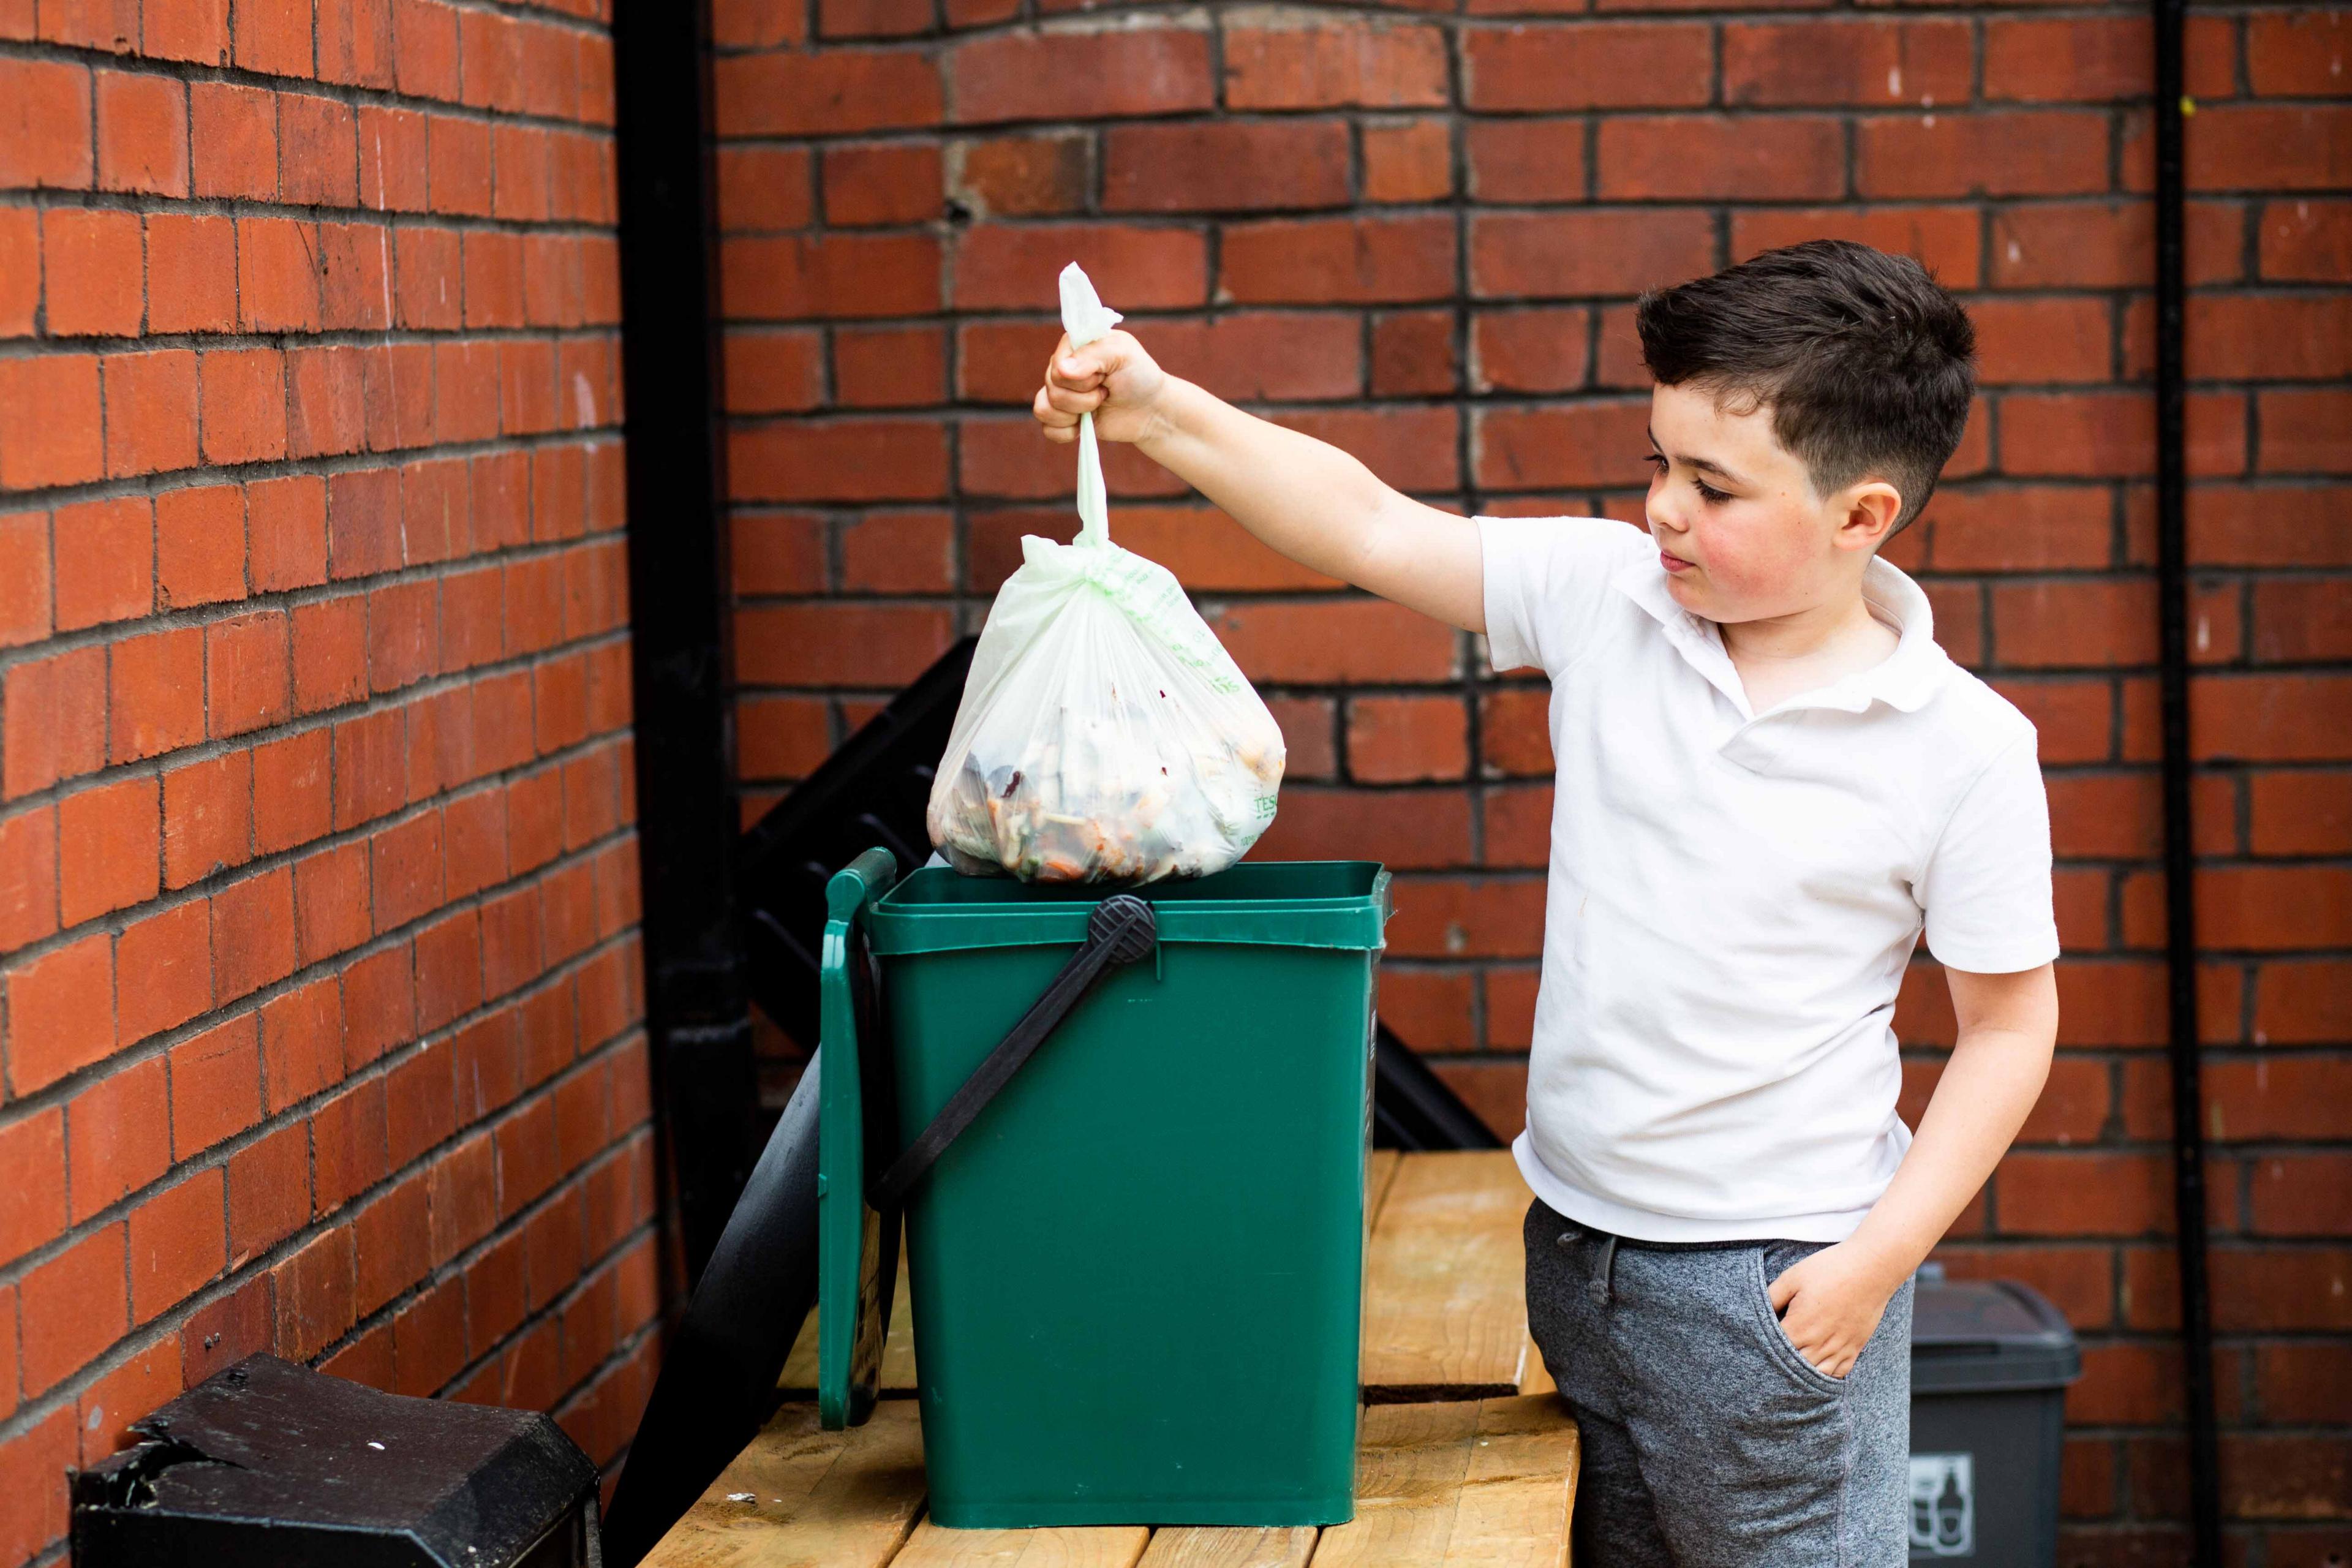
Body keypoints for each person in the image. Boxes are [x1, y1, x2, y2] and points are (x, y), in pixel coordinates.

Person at [1030, 239, 2060, 1566]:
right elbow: (1369, 524)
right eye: (1658, 463)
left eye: (1714, 486)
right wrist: (1161, 407)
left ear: (1862, 515)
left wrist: (1879, 1260)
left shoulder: (1963, 746)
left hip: (1778, 1283)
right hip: (1577, 1251)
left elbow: (2009, 1028)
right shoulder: (1607, 601)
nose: (1666, 512)